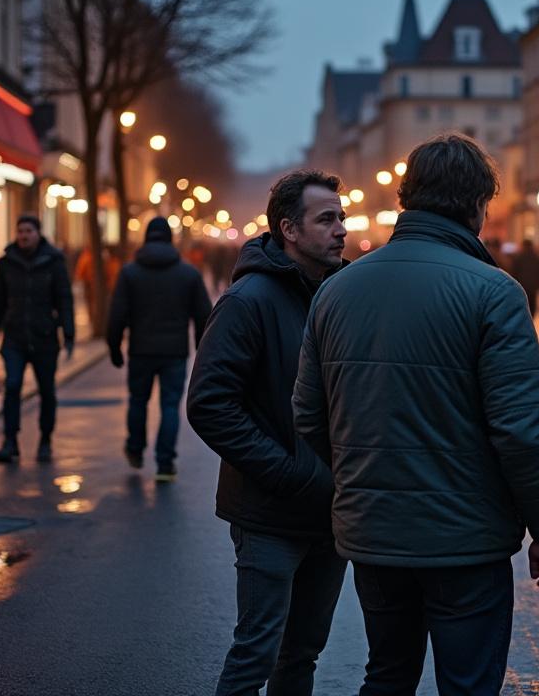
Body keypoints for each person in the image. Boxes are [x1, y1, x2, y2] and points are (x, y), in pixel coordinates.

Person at [293, 135, 539, 695]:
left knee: (387, 673)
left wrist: (361, 476)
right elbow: (520, 433)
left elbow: (309, 415)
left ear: (407, 197)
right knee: (468, 682)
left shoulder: (337, 290)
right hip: (466, 535)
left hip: (373, 528)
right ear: (478, 205)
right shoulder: (494, 293)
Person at [187, 171, 349, 695]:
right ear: (289, 229)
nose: (341, 229)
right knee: (256, 652)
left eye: (341, 217)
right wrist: (288, 473)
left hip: (331, 512)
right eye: (326, 219)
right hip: (270, 512)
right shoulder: (247, 300)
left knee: (302, 654)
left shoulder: (340, 295)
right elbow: (209, 405)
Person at [107, 217, 212, 481]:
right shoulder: (188, 273)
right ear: (170, 239)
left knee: (138, 400)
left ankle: (135, 448)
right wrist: (201, 348)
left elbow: (117, 313)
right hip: (174, 351)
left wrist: (114, 346)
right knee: (170, 405)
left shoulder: (130, 272)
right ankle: (165, 463)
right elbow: (204, 315)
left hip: (140, 349)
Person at [0, 215, 75, 463]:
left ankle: (45, 440)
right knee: (13, 385)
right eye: (20, 231)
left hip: (44, 337)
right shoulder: (5, 263)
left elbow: (64, 299)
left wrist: (68, 333)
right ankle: (10, 441)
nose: (24, 235)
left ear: (38, 233)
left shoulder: (54, 261)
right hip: (14, 337)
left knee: (46, 390)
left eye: (28, 231)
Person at [510, 238, 539, 315]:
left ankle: (525, 318)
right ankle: (531, 317)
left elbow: (515, 272)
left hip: (522, 285)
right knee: (532, 304)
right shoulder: (536, 258)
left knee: (524, 303)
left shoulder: (519, 257)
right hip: (533, 286)